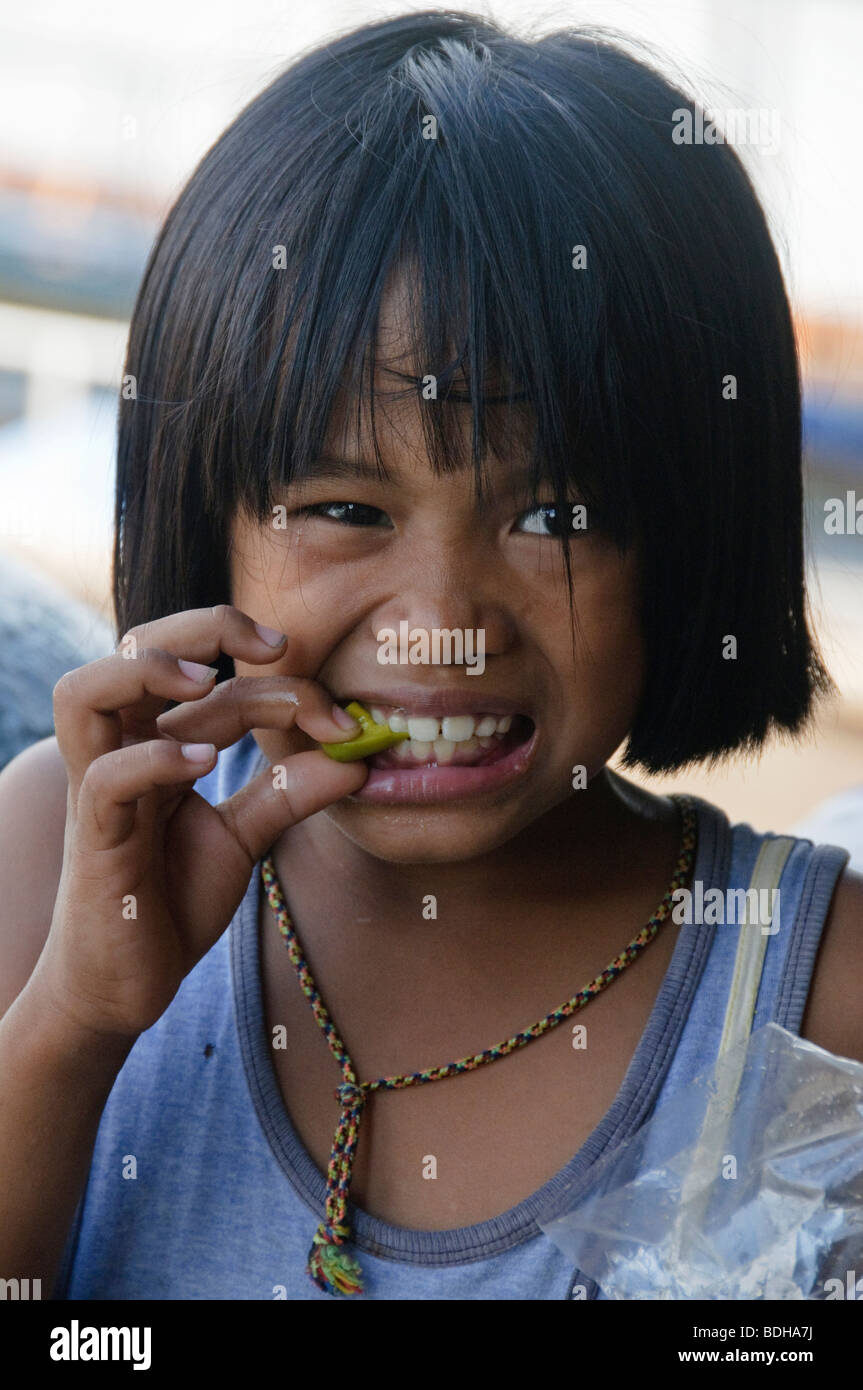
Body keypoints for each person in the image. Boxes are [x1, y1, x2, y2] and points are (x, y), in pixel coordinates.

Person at [0, 10, 860, 1302]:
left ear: (691, 534)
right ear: (205, 517)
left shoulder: (821, 989)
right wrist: (75, 1024)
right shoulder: (56, 852)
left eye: (554, 517)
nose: (442, 620)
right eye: (346, 509)